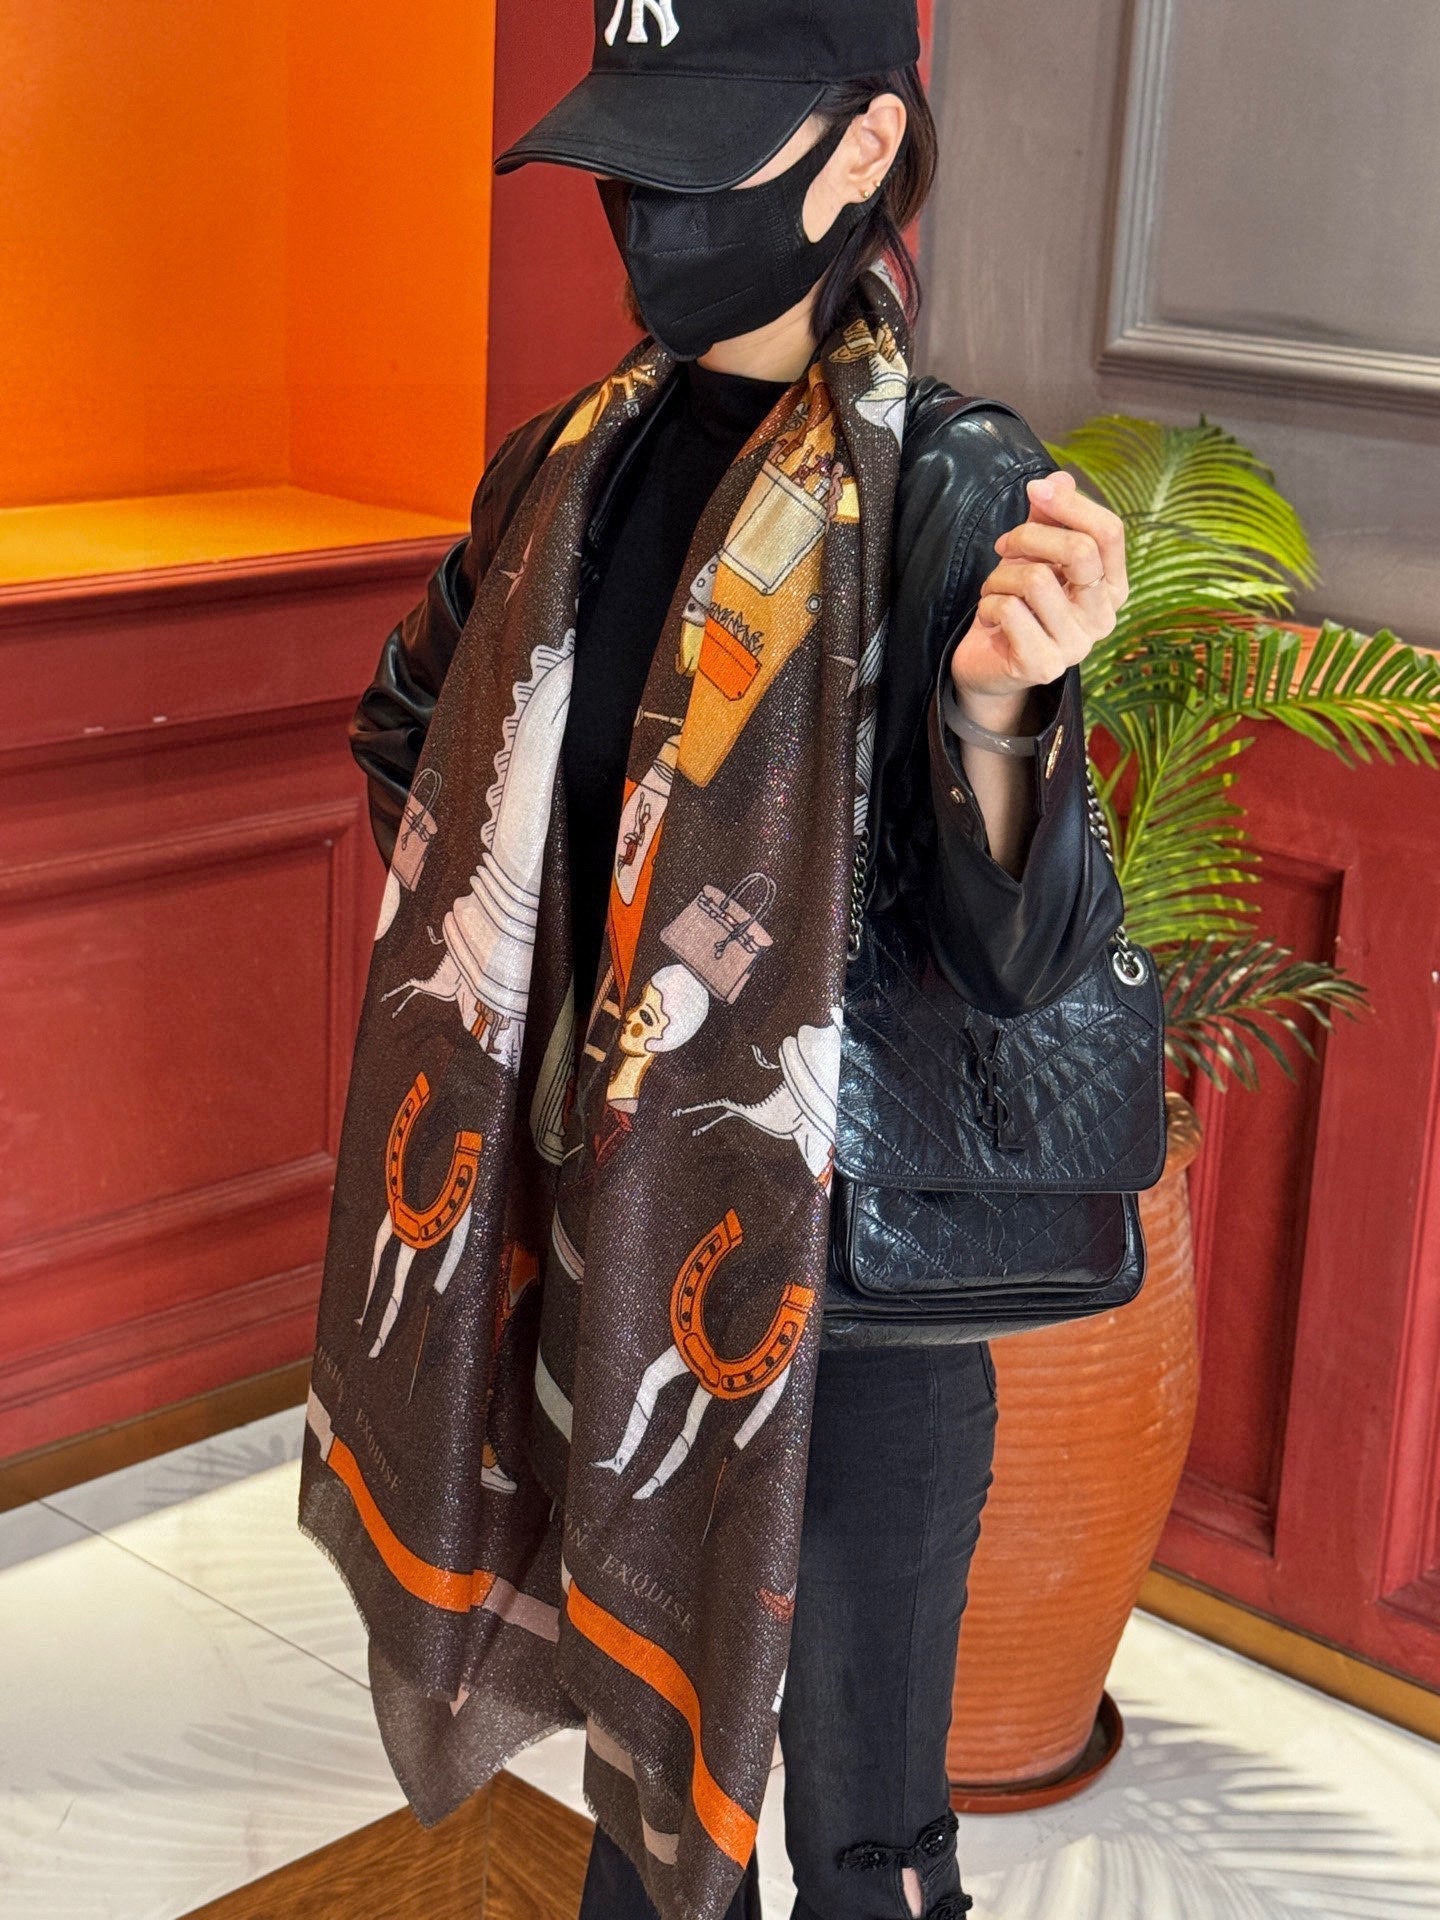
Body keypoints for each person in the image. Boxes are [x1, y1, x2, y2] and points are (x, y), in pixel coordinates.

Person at [336, 4, 1129, 1917]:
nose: (649, 205)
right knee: (642, 1800)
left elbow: (1020, 962)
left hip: (851, 1319)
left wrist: (1005, 719)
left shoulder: (952, 495)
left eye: (702, 154)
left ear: (863, 151)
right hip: (603, 1253)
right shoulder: (563, 475)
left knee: (864, 1843)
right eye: (630, 154)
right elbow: (409, 739)